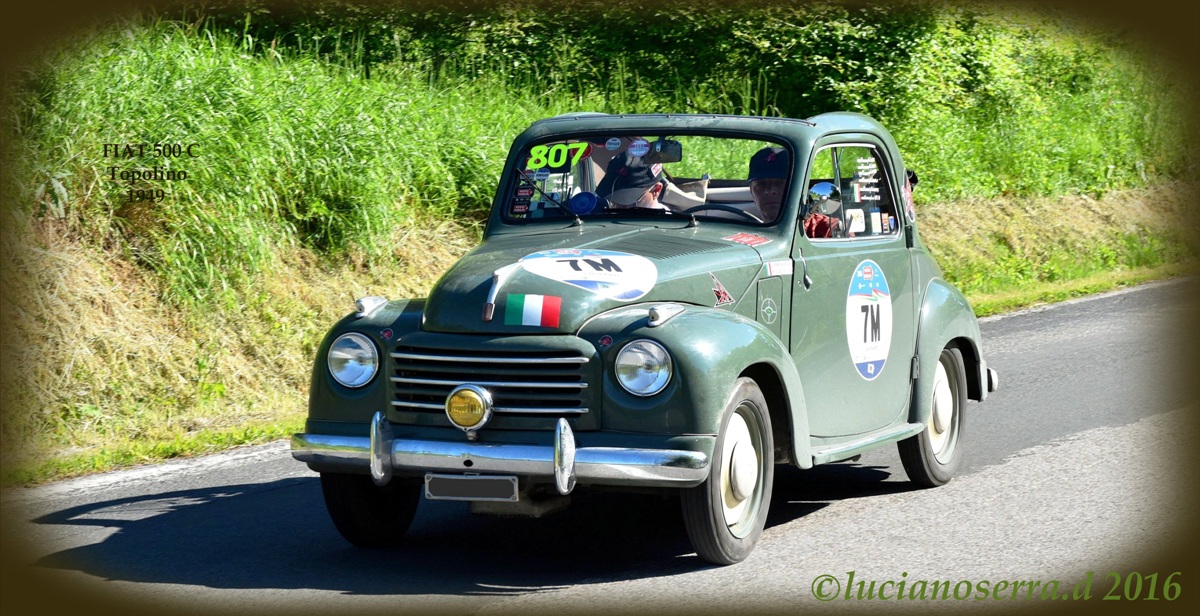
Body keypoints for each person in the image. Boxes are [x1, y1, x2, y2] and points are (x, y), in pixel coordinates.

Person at [596, 150, 671, 211]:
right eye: (613, 201)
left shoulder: (669, 226)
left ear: (656, 190)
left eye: (629, 202)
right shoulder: (603, 220)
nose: (619, 209)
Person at [746, 146, 789, 221]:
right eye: (761, 184)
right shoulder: (741, 231)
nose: (770, 190)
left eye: (780, 183)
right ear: (751, 191)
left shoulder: (813, 229)